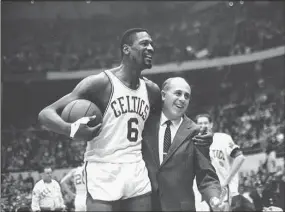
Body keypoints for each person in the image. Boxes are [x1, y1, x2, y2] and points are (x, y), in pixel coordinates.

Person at [38, 28, 162, 211]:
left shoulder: (152, 91)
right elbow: (46, 113)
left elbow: (151, 139)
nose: (151, 48)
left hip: (136, 167)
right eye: (144, 43)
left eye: (152, 44)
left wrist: (156, 177)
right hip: (102, 167)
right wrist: (70, 129)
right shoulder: (100, 83)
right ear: (126, 49)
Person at [142, 77, 224, 211]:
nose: (183, 99)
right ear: (163, 95)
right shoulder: (145, 124)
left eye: (187, 96)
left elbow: (206, 176)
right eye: (178, 93)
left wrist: (214, 199)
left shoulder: (196, 132)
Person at [195, 113, 246, 211]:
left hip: (223, 188)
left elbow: (240, 158)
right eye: (200, 124)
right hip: (205, 190)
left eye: (206, 123)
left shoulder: (222, 138)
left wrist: (227, 180)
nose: (203, 126)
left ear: (211, 124)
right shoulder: (194, 143)